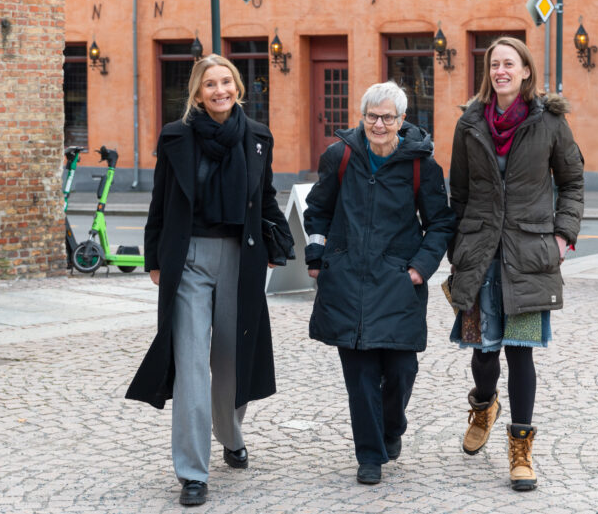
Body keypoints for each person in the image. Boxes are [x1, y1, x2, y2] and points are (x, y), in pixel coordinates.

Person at [125, 55, 292, 507]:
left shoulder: (257, 138)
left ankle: (230, 435)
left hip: (242, 258)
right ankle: (192, 471)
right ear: (197, 93)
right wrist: (154, 258)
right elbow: (159, 202)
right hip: (190, 260)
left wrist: (282, 242)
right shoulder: (177, 138)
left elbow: (266, 198)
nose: (220, 90)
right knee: (192, 364)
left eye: (227, 82)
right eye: (210, 85)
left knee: (233, 361)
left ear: (237, 87)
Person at [447, 37, 584, 491]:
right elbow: (459, 194)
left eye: (510, 63)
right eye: (494, 64)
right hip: (480, 254)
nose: (501, 71)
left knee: (520, 352)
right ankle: (484, 404)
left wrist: (563, 235)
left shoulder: (550, 122)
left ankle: (521, 451)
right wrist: (458, 250)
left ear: (526, 71)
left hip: (527, 255)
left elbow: (572, 180)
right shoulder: (469, 123)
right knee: (483, 352)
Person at [303, 81, 456, 486]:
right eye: (372, 116)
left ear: (402, 120)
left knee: (402, 368)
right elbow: (317, 211)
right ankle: (369, 454)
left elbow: (440, 222)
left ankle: (391, 427)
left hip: (398, 281)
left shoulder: (421, 165)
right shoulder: (340, 156)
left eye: (388, 117)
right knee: (361, 375)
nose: (379, 124)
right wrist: (317, 258)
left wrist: (420, 268)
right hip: (347, 282)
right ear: (362, 117)